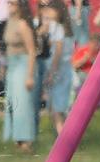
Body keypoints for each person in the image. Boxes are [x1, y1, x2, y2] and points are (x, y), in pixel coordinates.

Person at [1, 0, 37, 151]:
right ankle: (16, 138)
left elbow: (32, 51)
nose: (10, 5)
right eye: (9, 3)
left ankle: (26, 140)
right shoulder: (10, 22)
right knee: (12, 101)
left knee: (22, 103)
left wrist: (30, 75)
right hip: (12, 65)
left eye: (13, 3)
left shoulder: (23, 24)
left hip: (23, 64)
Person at [40, 0, 73, 135]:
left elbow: (58, 51)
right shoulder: (64, 28)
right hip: (63, 69)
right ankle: (64, 135)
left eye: (50, 10)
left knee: (56, 109)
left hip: (58, 70)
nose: (47, 13)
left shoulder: (57, 28)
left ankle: (63, 139)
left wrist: (52, 72)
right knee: (57, 108)